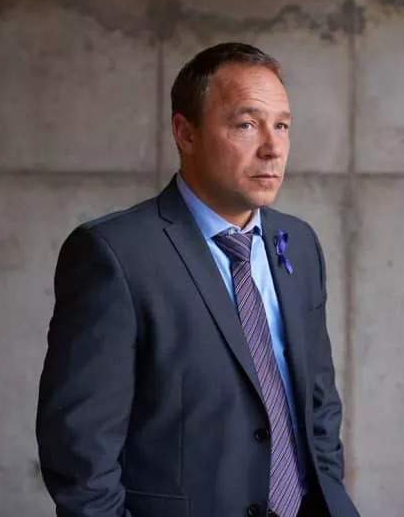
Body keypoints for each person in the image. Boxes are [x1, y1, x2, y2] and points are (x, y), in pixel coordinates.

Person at [36, 42, 360, 517]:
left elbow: (319, 403)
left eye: (282, 126)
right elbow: (80, 453)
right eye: (247, 124)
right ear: (185, 133)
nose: (273, 148)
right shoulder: (115, 254)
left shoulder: (299, 243)